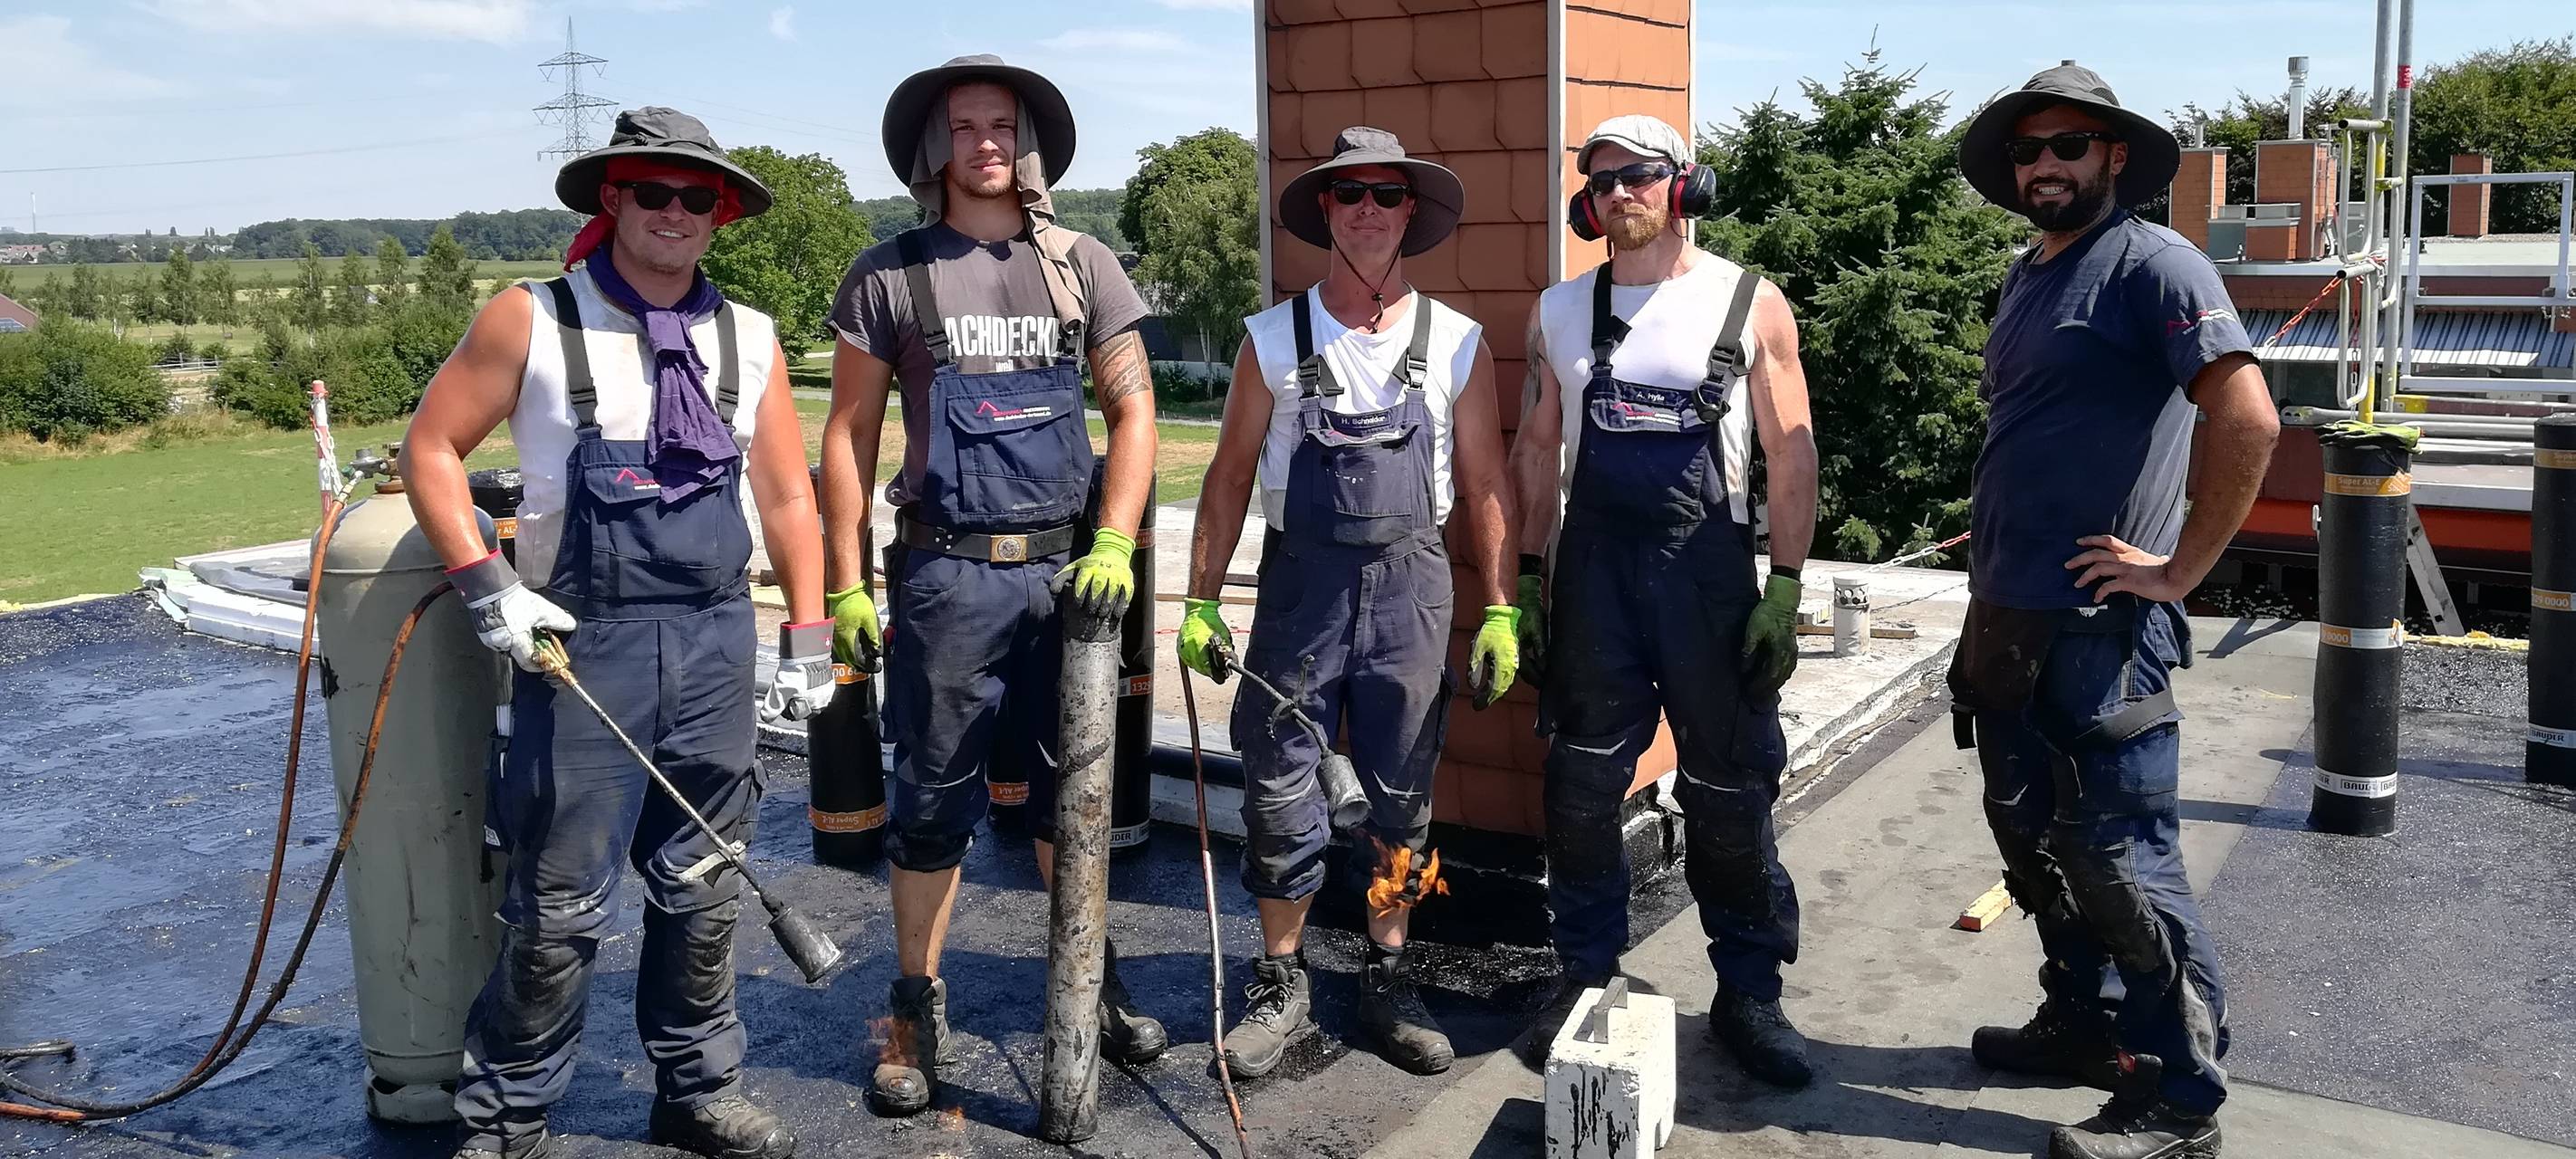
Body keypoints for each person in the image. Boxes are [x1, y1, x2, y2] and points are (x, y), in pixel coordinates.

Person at [399, 107, 824, 1159]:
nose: (674, 213)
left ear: (720, 214)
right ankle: (508, 1113)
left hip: (717, 645)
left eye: (696, 197)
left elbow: (787, 503)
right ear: (612, 200)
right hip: (583, 651)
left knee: (706, 878)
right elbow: (430, 449)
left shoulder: (752, 338)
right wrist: (486, 580)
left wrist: (808, 636)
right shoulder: (531, 319)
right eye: (652, 192)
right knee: (558, 903)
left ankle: (697, 1087)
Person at [817, 54, 1167, 1117]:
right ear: (934, 150)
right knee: (932, 806)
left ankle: (1084, 982)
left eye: (1002, 125)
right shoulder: (890, 275)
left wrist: (1115, 542)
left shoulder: (1080, 265)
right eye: (963, 127)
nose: (985, 143)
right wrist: (845, 586)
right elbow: (846, 434)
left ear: (1030, 143)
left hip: (1071, 580)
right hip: (945, 579)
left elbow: (1135, 415)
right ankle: (913, 1006)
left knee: (1079, 798)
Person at [1949, 63, 2275, 1159]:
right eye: (2029, 150)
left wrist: (2181, 568)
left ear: (2114, 157)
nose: (2045, 164)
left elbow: (2249, 417)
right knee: (2033, 840)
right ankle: (2083, 1023)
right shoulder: (2034, 270)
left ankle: (2183, 1098)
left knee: (2122, 858)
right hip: (2008, 616)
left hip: (2100, 630)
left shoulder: (2154, 263)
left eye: (2069, 145)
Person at [1178, 127, 1518, 1079]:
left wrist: (1498, 607)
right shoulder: (1271, 339)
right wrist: (1201, 603)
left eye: (1385, 192)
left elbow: (1487, 485)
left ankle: (1387, 975)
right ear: (1324, 209)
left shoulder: (1454, 342)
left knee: (1401, 798)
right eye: (1348, 193)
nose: (1367, 208)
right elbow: (1228, 477)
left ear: (1412, 211)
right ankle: (1281, 984)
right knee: (1281, 789)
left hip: (1413, 591)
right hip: (1301, 593)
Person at [1509, 115, 1821, 1087]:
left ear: (1684, 185)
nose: (1618, 196)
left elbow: (1792, 448)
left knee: (1729, 792)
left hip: (1710, 580)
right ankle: (1586, 976)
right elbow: (1532, 449)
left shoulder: (1749, 302)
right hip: (1595, 578)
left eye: (1638, 177)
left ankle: (1750, 992)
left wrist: (1785, 584)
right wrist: (1524, 578)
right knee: (1583, 787)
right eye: (1600, 183)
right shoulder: (1559, 311)